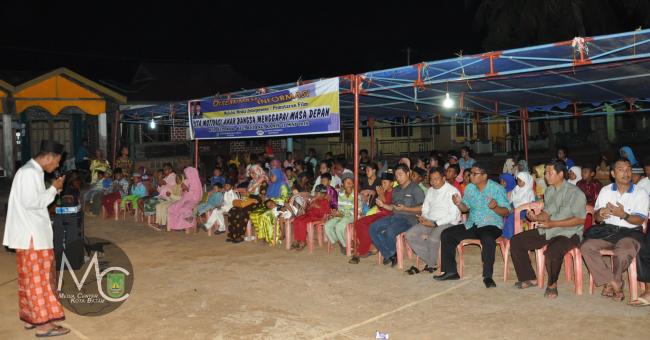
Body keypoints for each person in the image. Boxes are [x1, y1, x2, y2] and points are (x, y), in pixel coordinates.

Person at [2, 140, 71, 337]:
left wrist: (52, 189)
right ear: (48, 157)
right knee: (40, 280)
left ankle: (31, 318)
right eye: (57, 161)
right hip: (33, 236)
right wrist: (54, 188)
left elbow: (31, 200)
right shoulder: (30, 173)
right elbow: (32, 203)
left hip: (30, 235)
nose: (57, 166)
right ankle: (44, 325)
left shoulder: (30, 171)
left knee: (30, 280)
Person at [510, 160, 586, 298]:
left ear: (561, 174)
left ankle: (552, 284)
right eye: (545, 173)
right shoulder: (549, 190)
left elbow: (580, 220)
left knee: (553, 251)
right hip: (549, 229)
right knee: (516, 241)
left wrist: (553, 224)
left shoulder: (575, 193)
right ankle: (529, 277)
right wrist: (536, 217)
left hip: (569, 232)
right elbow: (547, 212)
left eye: (550, 173)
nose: (546, 176)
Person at [581, 157, 649, 302]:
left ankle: (612, 283)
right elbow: (597, 218)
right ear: (612, 173)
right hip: (608, 231)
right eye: (621, 170)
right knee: (586, 247)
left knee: (623, 251)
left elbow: (640, 219)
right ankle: (614, 282)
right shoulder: (605, 191)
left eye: (628, 169)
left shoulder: (640, 192)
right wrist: (601, 214)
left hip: (630, 233)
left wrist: (623, 215)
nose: (626, 173)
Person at [435, 163, 511, 288]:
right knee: (447, 234)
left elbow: (507, 211)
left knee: (487, 238)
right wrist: (459, 204)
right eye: (471, 173)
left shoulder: (497, 189)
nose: (471, 176)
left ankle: (488, 276)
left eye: (474, 174)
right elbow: (465, 209)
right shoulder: (470, 188)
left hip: (491, 224)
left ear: (484, 176)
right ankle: (451, 271)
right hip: (473, 224)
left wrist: (496, 207)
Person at [405, 167, 461, 275]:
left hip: (447, 223)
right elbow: (425, 207)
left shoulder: (453, 191)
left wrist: (435, 223)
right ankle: (432, 261)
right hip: (430, 220)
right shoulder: (430, 190)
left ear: (444, 178)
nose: (433, 182)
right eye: (431, 179)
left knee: (433, 240)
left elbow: (453, 215)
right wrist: (424, 217)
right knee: (410, 234)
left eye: (437, 179)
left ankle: (430, 264)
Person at [369, 164, 425, 267]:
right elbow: (393, 207)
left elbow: (422, 208)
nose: (398, 178)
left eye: (400, 174)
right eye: (397, 175)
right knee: (373, 228)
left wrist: (405, 208)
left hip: (409, 219)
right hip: (395, 217)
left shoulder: (415, 189)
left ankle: (391, 254)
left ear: (408, 174)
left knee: (390, 231)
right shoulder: (396, 190)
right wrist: (383, 205)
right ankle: (391, 254)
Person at [349, 173, 395, 264]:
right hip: (380, 214)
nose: (383, 185)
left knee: (369, 227)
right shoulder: (383, 191)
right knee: (359, 222)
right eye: (382, 183)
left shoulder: (395, 192)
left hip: (389, 217)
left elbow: (390, 208)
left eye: (385, 183)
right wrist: (380, 195)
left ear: (392, 184)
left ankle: (359, 252)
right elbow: (379, 208)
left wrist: (381, 195)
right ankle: (370, 247)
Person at [250, 161, 290, 244]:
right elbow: (267, 197)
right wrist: (265, 198)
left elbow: (284, 199)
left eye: (273, 175)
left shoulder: (282, 185)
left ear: (278, 175)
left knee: (266, 215)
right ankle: (264, 234)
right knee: (255, 214)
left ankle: (272, 237)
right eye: (270, 175)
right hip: (269, 204)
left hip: (279, 206)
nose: (271, 177)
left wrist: (271, 200)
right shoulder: (271, 185)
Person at [324, 174, 362, 254]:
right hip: (342, 215)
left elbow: (358, 210)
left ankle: (345, 245)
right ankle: (339, 241)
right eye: (346, 182)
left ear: (353, 184)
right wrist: (337, 213)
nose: (348, 184)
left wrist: (342, 214)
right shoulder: (341, 194)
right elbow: (340, 208)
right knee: (327, 225)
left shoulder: (356, 195)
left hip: (352, 216)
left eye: (350, 182)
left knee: (339, 226)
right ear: (342, 185)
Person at [291, 184, 331, 251]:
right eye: (315, 192)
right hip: (310, 215)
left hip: (318, 217)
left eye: (317, 193)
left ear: (322, 194)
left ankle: (303, 241)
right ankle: (297, 239)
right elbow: (308, 210)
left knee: (302, 222)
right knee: (296, 220)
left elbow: (326, 212)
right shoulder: (315, 200)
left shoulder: (325, 201)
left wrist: (317, 206)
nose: (315, 194)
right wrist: (308, 205)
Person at [167, 167, 203, 231]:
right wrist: (183, 190)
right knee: (172, 207)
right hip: (185, 199)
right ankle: (178, 226)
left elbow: (197, 196)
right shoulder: (186, 181)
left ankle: (193, 224)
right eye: (185, 173)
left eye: (187, 173)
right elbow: (182, 193)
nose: (186, 175)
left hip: (193, 200)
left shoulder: (196, 183)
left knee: (184, 208)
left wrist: (187, 189)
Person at [502, 171, 536, 239]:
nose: (518, 182)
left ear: (526, 181)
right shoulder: (516, 188)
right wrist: (510, 207)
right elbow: (512, 200)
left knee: (511, 217)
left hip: (524, 211)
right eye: (517, 180)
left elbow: (531, 204)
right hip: (514, 208)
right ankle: (504, 233)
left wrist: (516, 210)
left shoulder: (529, 191)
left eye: (520, 181)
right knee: (504, 213)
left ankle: (510, 237)